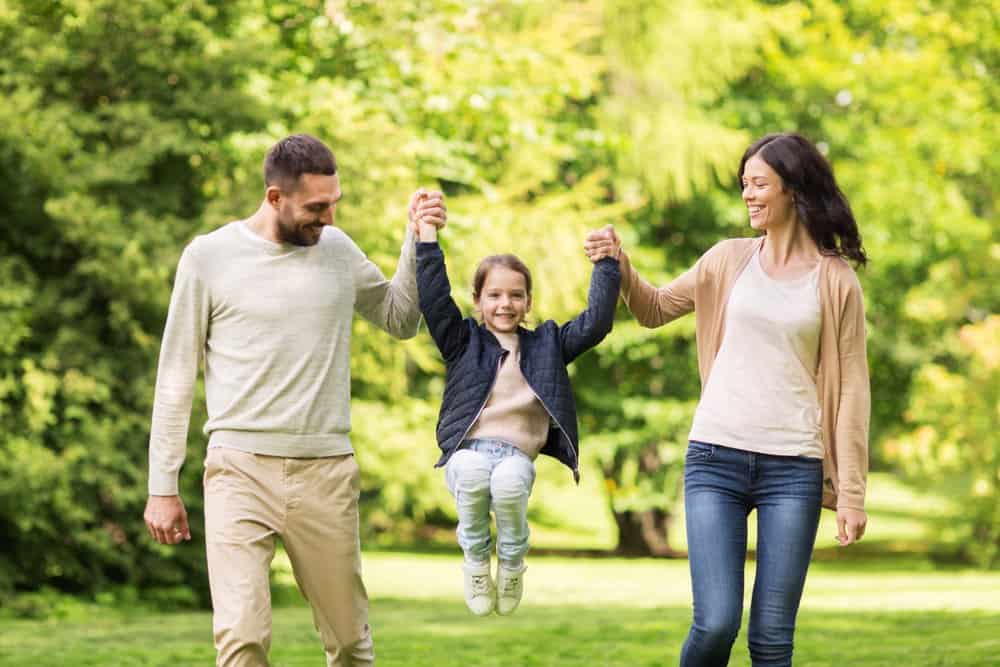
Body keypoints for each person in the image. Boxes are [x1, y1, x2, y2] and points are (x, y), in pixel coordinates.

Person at [142, 133, 446, 666]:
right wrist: (162, 487)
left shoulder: (337, 251)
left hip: (325, 472)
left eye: (334, 204)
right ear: (274, 197)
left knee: (351, 642)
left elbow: (400, 318)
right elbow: (174, 376)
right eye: (316, 207)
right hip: (238, 470)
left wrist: (418, 240)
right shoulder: (209, 258)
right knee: (242, 637)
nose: (328, 218)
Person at [585, 132, 870, 666]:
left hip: (795, 468)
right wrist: (620, 264)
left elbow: (852, 388)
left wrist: (851, 491)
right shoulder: (727, 259)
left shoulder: (836, 282)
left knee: (771, 639)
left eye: (759, 183)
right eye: (745, 185)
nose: (749, 195)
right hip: (716, 457)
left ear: (793, 188)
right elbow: (653, 309)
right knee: (715, 623)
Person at [414, 213, 620, 616]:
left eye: (515, 295)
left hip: (514, 456)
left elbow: (596, 323)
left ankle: (511, 563)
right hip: (467, 451)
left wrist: (607, 264)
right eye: (493, 295)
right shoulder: (462, 341)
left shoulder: (548, 345)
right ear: (477, 301)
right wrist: (426, 236)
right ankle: (475, 563)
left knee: (509, 483)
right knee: (472, 473)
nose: (505, 304)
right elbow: (434, 297)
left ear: (528, 301)